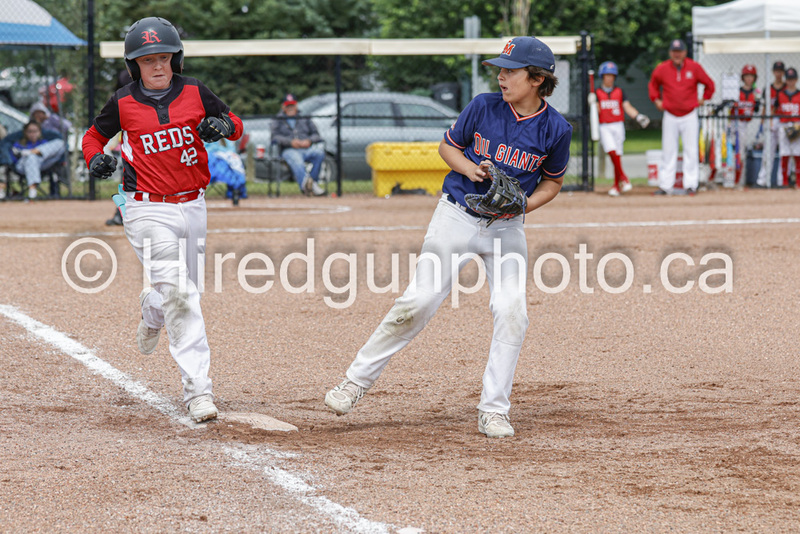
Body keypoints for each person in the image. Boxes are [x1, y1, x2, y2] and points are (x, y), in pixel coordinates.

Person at [323, 36, 572, 439]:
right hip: (457, 214)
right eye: (500, 69)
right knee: (419, 301)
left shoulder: (557, 129)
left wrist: (524, 205)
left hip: (506, 227)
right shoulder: (483, 106)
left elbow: (553, 182)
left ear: (538, 79)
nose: (502, 76)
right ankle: (354, 382)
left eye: (511, 70)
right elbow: (448, 147)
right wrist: (470, 170)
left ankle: (494, 409)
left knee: (513, 312)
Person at [81, 16, 243, 423]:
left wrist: (222, 124)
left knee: (182, 292)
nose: (157, 66)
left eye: (164, 57)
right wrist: (95, 158)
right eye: (147, 59)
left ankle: (151, 308)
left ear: (176, 59)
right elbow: (92, 137)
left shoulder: (195, 91)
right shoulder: (122, 102)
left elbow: (235, 124)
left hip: (194, 205)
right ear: (134, 64)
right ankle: (198, 392)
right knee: (182, 296)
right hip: (145, 207)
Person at [648, 39, 715, 195]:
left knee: (691, 150)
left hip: (689, 114)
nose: (677, 54)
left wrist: (704, 98)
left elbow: (709, 84)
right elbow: (653, 84)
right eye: (674, 51)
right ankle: (666, 185)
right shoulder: (662, 68)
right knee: (668, 150)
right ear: (670, 53)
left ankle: (691, 184)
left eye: (679, 52)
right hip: (670, 114)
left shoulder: (694, 67)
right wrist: (656, 99)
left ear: (685, 52)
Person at [594, 60, 650, 196]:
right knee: (612, 152)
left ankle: (616, 186)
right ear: (602, 76)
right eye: (607, 75)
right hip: (605, 126)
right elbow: (596, 111)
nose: (610, 78)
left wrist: (638, 116)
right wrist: (591, 103)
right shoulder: (597, 92)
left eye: (612, 76)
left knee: (617, 155)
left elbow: (627, 107)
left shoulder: (620, 91)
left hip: (618, 125)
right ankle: (624, 178)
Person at [270, 94, 326, 196]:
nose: (290, 108)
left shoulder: (304, 118)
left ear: (296, 106)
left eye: (292, 105)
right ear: (283, 107)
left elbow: (316, 135)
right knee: (297, 160)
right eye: (288, 106)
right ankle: (306, 187)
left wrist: (308, 141)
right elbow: (274, 137)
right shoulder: (278, 119)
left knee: (319, 153)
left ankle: (312, 184)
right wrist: (290, 142)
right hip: (288, 150)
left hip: (306, 148)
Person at [0, 120, 66, 200]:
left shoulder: (44, 142)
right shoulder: (18, 144)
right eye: (30, 131)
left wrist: (33, 152)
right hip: (22, 166)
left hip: (43, 164)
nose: (32, 134)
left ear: (40, 132)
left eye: (35, 131)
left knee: (60, 143)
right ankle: (32, 190)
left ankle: (31, 152)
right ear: (25, 132)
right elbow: (13, 161)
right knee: (31, 157)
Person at [729, 65, 760, 186]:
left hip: (745, 124)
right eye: (747, 76)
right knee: (731, 152)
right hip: (734, 122)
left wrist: (757, 103)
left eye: (751, 76)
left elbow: (755, 110)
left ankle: (738, 181)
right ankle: (730, 180)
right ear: (743, 77)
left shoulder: (755, 94)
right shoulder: (736, 91)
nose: (749, 78)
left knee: (741, 153)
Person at [756, 61, 786, 187]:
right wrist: (762, 124)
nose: (778, 74)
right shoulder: (768, 88)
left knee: (784, 152)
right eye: (776, 71)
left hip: (784, 120)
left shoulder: (786, 87)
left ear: (783, 73)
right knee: (768, 152)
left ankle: (781, 180)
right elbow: (765, 107)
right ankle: (762, 180)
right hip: (771, 119)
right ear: (773, 72)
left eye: (780, 71)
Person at [775, 67, 800, 187]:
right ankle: (784, 181)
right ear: (786, 80)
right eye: (789, 79)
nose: (791, 82)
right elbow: (775, 110)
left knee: (797, 153)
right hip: (783, 124)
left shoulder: (799, 94)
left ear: (796, 80)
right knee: (784, 153)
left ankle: (798, 182)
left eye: (793, 79)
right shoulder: (780, 94)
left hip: (797, 125)